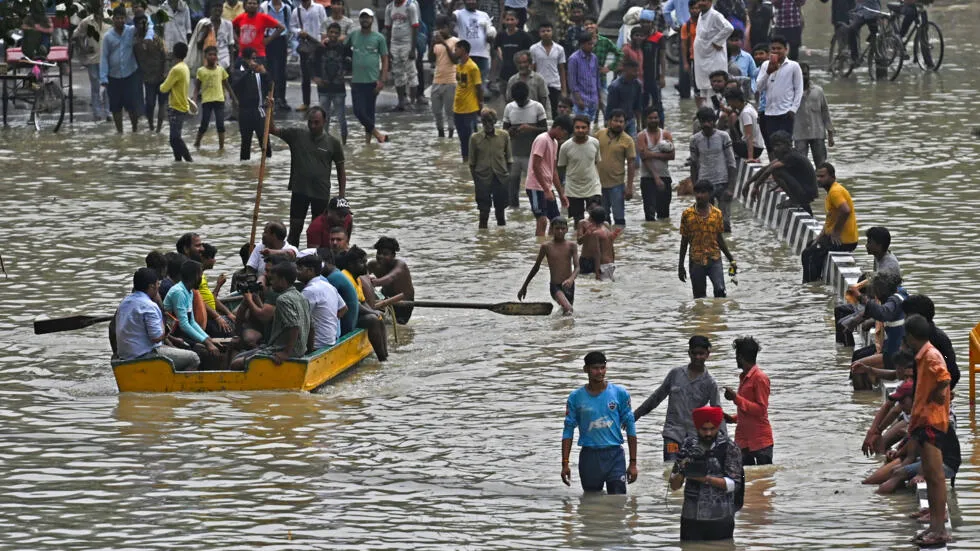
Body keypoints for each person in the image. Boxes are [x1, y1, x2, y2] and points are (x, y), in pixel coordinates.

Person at [903, 314, 953, 547]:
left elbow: (945, 378)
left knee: (935, 477)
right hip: (924, 421)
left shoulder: (931, 354)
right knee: (932, 477)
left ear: (911, 336)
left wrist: (938, 395)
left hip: (932, 422)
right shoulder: (924, 355)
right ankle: (934, 526)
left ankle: (939, 530)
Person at [268, 106, 346, 248]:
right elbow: (272, 129)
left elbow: (341, 170)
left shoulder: (333, 143)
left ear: (324, 122)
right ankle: (292, 258)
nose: (312, 125)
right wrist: (270, 110)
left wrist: (341, 196)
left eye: (316, 122)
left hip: (321, 193)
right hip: (300, 191)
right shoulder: (297, 135)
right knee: (295, 230)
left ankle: (315, 262)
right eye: (310, 122)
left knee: (318, 230)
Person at [560, 351, 638, 493]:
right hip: (589, 457)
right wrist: (565, 463)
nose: (600, 372)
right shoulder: (576, 397)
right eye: (595, 368)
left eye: (603, 368)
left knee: (618, 502)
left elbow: (631, 426)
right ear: (586, 369)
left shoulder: (619, 393)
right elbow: (568, 429)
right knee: (591, 503)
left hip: (615, 456)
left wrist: (633, 463)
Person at [635, 335, 723, 459]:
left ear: (707, 354)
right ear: (689, 353)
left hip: (694, 437)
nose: (698, 357)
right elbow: (657, 397)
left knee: (692, 470)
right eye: (694, 353)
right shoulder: (675, 374)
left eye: (701, 354)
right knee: (671, 468)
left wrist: (723, 441)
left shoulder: (710, 383)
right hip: (672, 435)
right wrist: (636, 415)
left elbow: (717, 413)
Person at [668, 406, 742, 541]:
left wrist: (705, 479)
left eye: (712, 429)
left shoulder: (729, 447)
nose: (708, 433)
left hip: (720, 518)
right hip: (691, 518)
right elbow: (674, 486)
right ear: (697, 427)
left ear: (718, 426)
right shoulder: (687, 445)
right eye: (704, 429)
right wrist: (682, 468)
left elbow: (735, 484)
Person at [114, 268, 202, 371]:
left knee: (176, 350)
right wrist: (164, 323)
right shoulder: (149, 306)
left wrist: (172, 339)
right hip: (144, 355)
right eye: (157, 284)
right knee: (194, 358)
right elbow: (156, 337)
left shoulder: (124, 302)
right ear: (151, 287)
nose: (158, 286)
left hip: (126, 354)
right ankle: (177, 386)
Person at [231, 261, 314, 369]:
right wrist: (310, 350)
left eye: (273, 279)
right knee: (242, 355)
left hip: (281, 350)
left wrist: (286, 353)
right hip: (299, 350)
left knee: (235, 363)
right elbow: (312, 326)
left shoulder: (282, 299)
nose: (271, 282)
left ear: (283, 280)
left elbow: (294, 326)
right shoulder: (301, 297)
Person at [800, 162, 857, 282]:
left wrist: (836, 231)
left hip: (843, 241)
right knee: (810, 246)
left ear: (832, 177)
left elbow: (845, 211)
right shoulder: (831, 192)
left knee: (808, 255)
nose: (819, 179)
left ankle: (810, 285)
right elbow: (830, 219)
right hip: (836, 238)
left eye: (822, 176)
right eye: (817, 176)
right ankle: (817, 278)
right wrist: (820, 237)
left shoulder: (835, 192)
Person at [679, 180, 736, 298]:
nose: (699, 196)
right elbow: (684, 241)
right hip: (696, 260)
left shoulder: (717, 214)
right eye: (697, 192)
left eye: (703, 192)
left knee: (720, 291)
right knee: (699, 298)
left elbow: (719, 239)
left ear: (710, 193)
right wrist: (680, 266)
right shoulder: (687, 214)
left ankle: (717, 316)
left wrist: (731, 259)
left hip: (714, 259)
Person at [723, 336, 773, 465]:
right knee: (744, 478)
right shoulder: (744, 377)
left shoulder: (760, 378)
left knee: (763, 480)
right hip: (743, 440)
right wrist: (733, 419)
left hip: (760, 441)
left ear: (740, 357)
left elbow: (761, 410)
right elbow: (748, 411)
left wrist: (735, 398)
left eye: (736, 356)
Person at [743, 130, 817, 213]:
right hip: (804, 189)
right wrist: (748, 183)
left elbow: (769, 171)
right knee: (775, 169)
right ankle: (794, 199)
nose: (775, 149)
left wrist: (756, 186)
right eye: (774, 146)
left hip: (807, 192)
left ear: (787, 144)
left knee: (776, 171)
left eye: (778, 145)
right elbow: (765, 168)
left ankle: (794, 200)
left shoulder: (791, 156)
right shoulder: (786, 154)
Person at [518, 217, 579, 314]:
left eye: (563, 228)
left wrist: (571, 279)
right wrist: (524, 286)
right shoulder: (546, 246)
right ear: (551, 229)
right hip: (555, 287)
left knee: (566, 312)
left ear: (567, 229)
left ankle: (560, 327)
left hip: (569, 286)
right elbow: (536, 267)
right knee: (569, 309)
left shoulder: (572, 245)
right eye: (557, 228)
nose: (560, 231)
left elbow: (577, 267)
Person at [163, 259, 223, 360]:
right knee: (205, 352)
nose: (201, 278)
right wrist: (206, 343)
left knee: (215, 347)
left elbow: (192, 321)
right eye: (200, 275)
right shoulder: (179, 292)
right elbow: (184, 324)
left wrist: (207, 339)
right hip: (173, 335)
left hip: (182, 332)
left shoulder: (189, 291)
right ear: (195, 276)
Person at [502, 81, 549, 209]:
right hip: (514, 154)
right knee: (512, 186)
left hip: (532, 154)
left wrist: (530, 128)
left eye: (522, 100)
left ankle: (537, 208)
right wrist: (510, 131)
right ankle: (514, 210)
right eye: (517, 101)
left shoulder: (537, 107)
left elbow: (545, 130)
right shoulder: (509, 108)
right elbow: (503, 131)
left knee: (535, 185)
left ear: (527, 95)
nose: (520, 103)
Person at [690, 106, 736, 232]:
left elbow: (731, 162)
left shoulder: (723, 137)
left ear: (714, 121)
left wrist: (731, 188)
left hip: (723, 182)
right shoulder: (695, 140)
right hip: (704, 184)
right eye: (703, 121)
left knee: (725, 223)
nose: (706, 124)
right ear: (699, 122)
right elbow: (693, 164)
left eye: (709, 121)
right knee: (706, 223)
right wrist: (695, 187)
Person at [347, 9, 390, 144]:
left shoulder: (379, 38)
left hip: (372, 80)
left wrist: (382, 80)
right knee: (358, 111)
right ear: (359, 20)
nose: (365, 20)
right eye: (362, 17)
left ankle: (368, 143)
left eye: (368, 18)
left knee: (369, 112)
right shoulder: (353, 35)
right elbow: (342, 47)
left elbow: (385, 59)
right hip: (357, 80)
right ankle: (378, 135)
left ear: (372, 20)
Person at [339, 246, 389, 361]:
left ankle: (385, 355)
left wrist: (375, 312)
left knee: (379, 316)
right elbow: (355, 304)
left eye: (365, 262)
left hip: (355, 315)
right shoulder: (346, 277)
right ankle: (381, 358)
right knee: (373, 319)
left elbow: (362, 301)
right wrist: (372, 312)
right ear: (351, 265)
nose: (366, 266)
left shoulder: (356, 278)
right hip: (346, 319)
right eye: (362, 263)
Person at [525, 117, 573, 236]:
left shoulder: (554, 142)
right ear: (558, 128)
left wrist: (561, 194)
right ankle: (540, 248)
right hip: (535, 186)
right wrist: (546, 190)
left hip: (546, 186)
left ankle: (552, 248)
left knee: (556, 221)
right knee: (542, 220)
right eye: (564, 133)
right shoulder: (542, 139)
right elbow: (535, 166)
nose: (563, 137)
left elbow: (553, 170)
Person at [755, 37, 802, 153]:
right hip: (770, 112)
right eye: (773, 49)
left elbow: (799, 89)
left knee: (785, 144)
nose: (776, 51)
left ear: (786, 50)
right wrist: (768, 72)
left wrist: (793, 109)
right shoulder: (765, 65)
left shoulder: (793, 66)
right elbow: (759, 88)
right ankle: (776, 169)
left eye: (779, 48)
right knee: (773, 145)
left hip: (786, 112)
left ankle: (788, 168)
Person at [469, 108, 514, 228]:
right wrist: (477, 181)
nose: (487, 124)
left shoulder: (504, 136)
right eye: (484, 121)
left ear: (494, 121)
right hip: (482, 178)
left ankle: (502, 239)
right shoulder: (475, 138)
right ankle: (483, 240)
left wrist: (507, 177)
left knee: (501, 213)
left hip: (501, 177)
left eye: (490, 121)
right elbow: (472, 163)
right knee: (483, 213)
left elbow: (509, 159)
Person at [101, 6, 141, 133]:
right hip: (114, 77)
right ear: (113, 19)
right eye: (117, 18)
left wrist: (140, 13)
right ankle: (120, 133)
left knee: (132, 107)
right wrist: (103, 77)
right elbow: (104, 57)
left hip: (130, 75)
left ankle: (135, 130)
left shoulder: (131, 31)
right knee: (116, 108)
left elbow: (145, 27)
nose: (120, 21)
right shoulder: (108, 37)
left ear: (125, 19)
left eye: (122, 18)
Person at [558, 115, 602, 225]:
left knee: (596, 217)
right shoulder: (565, 146)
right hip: (573, 188)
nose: (580, 130)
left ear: (588, 128)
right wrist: (562, 189)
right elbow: (561, 168)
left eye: (583, 127)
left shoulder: (595, 143)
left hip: (592, 186)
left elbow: (596, 162)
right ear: (573, 128)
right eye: (577, 127)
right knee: (578, 222)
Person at [595, 110, 636, 227]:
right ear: (609, 122)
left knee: (619, 219)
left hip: (617, 185)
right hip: (599, 184)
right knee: (602, 218)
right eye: (616, 121)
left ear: (625, 123)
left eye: (621, 121)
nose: (618, 124)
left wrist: (629, 187)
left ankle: (620, 241)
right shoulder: (599, 135)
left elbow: (631, 164)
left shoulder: (628, 140)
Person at [297, 254, 347, 349]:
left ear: (310, 271)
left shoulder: (309, 291)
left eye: (300, 269)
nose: (297, 272)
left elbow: (299, 321)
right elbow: (344, 308)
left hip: (317, 344)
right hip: (330, 340)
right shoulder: (329, 286)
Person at [232, 47, 273, 161]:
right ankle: (244, 170)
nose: (254, 62)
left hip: (259, 111)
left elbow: (270, 84)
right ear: (245, 59)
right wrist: (248, 71)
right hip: (244, 112)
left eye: (255, 59)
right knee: (245, 142)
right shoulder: (238, 70)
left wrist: (265, 74)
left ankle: (268, 165)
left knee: (265, 142)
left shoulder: (259, 70)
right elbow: (236, 84)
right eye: (251, 59)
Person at [73, 5, 112, 122]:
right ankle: (97, 112)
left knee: (108, 86)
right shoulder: (86, 22)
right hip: (93, 59)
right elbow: (76, 35)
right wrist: (83, 48)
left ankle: (108, 111)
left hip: (107, 59)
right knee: (95, 87)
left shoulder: (109, 19)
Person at [692, 0, 733, 109]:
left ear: (710, 2)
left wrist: (717, 41)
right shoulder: (701, 14)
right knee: (704, 92)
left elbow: (729, 28)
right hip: (703, 60)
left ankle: (721, 114)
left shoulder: (715, 15)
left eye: (704, 0)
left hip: (714, 60)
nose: (701, 3)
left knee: (716, 91)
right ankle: (708, 115)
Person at [314, 22, 350, 144]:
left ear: (340, 34)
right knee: (324, 118)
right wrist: (315, 78)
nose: (333, 35)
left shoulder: (344, 48)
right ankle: (324, 142)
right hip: (323, 88)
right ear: (327, 33)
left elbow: (350, 61)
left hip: (339, 89)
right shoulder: (320, 47)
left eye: (336, 33)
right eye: (331, 32)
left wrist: (345, 73)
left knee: (342, 118)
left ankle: (344, 144)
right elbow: (310, 63)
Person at [194, 46, 237, 149]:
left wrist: (234, 99)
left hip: (219, 100)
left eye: (214, 55)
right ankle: (197, 143)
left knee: (220, 125)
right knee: (204, 124)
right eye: (210, 55)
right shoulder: (201, 71)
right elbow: (197, 88)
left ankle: (221, 147)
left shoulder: (221, 70)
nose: (213, 57)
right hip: (207, 101)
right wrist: (194, 99)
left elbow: (227, 85)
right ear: (205, 56)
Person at [637, 106, 675, 221]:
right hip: (648, 178)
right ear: (645, 119)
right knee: (650, 216)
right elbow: (644, 158)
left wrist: (652, 154)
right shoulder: (641, 136)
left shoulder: (666, 134)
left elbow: (672, 156)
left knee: (664, 215)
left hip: (665, 176)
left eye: (656, 118)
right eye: (650, 118)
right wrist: (656, 178)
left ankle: (663, 237)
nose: (654, 120)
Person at [793, 62, 834, 168]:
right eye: (799, 74)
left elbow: (825, 112)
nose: (802, 76)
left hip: (817, 133)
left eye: (805, 74)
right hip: (799, 134)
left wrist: (830, 134)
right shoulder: (791, 92)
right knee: (800, 165)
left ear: (809, 74)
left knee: (821, 164)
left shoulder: (818, 91)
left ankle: (821, 184)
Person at [133, 14, 168, 133]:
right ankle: (151, 126)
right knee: (150, 103)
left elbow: (164, 55)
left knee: (162, 104)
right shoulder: (135, 41)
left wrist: (165, 72)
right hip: (147, 77)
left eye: (144, 23)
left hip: (160, 75)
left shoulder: (156, 38)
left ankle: (158, 128)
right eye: (140, 23)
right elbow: (136, 59)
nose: (142, 26)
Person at [368, 236, 415, 324]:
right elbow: (359, 275)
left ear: (393, 255)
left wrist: (374, 282)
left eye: (385, 254)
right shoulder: (372, 265)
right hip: (385, 298)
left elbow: (390, 277)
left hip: (404, 304)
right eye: (379, 253)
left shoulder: (400, 265)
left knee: (398, 325)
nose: (381, 256)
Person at [159, 42, 194, 163]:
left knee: (175, 138)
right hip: (182, 105)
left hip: (176, 107)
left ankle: (189, 160)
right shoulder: (184, 67)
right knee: (174, 138)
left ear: (174, 53)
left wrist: (164, 78)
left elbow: (164, 88)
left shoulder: (176, 69)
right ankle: (178, 162)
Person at [291, 0, 328, 112]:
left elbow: (325, 23)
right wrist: (298, 31)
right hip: (305, 47)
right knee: (305, 75)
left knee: (319, 73)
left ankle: (323, 102)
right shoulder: (296, 11)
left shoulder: (319, 7)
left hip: (318, 45)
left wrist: (323, 39)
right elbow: (292, 26)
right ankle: (306, 102)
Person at [385, 0, 421, 110]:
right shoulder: (389, 7)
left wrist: (412, 49)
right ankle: (401, 102)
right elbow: (388, 28)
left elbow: (415, 27)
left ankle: (412, 102)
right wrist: (388, 48)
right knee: (398, 73)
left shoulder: (410, 6)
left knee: (411, 73)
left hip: (407, 44)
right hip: (394, 44)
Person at [453, 39, 484, 161]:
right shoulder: (459, 66)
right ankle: (465, 161)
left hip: (470, 108)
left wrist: (480, 105)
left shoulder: (473, 67)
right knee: (462, 138)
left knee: (472, 138)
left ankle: (475, 161)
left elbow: (479, 87)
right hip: (458, 108)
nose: (454, 52)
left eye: (456, 49)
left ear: (463, 50)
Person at [453, 0, 495, 88]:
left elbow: (489, 34)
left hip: (482, 55)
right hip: (466, 56)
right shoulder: (459, 13)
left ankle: (478, 101)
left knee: (480, 84)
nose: (471, 2)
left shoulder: (484, 15)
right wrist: (453, 2)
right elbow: (449, 17)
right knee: (464, 85)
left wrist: (490, 37)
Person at [258, 0, 292, 111]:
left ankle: (281, 98)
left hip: (281, 40)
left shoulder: (287, 8)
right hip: (268, 40)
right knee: (269, 69)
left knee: (282, 70)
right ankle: (269, 97)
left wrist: (288, 41)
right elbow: (261, 22)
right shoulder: (264, 6)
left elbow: (289, 25)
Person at [318, 247, 360, 336]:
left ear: (328, 261)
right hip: (350, 322)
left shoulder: (333, 278)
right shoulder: (337, 273)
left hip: (346, 326)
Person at [530, 22, 568, 118]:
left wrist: (564, 90)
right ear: (539, 33)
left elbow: (562, 70)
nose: (546, 33)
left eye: (548, 31)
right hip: (539, 84)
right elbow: (532, 68)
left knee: (556, 112)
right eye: (543, 31)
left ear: (552, 32)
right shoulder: (534, 48)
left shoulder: (559, 49)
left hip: (555, 84)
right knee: (540, 112)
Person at [429, 16, 459, 138]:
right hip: (437, 81)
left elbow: (454, 60)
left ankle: (451, 135)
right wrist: (432, 44)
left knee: (450, 113)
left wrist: (445, 44)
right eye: (438, 28)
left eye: (443, 28)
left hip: (450, 81)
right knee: (436, 112)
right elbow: (431, 59)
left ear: (448, 27)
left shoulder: (455, 41)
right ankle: (440, 134)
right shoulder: (436, 42)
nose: (441, 31)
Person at [234, 0, 285, 67]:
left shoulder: (263, 17)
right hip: (243, 55)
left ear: (258, 6)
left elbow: (281, 28)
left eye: (254, 3)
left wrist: (269, 39)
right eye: (249, 3)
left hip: (258, 55)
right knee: (240, 76)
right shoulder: (240, 17)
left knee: (258, 76)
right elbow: (231, 27)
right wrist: (236, 40)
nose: (252, 5)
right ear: (245, 5)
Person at [190, 2, 236, 71]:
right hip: (208, 63)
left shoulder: (228, 24)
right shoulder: (203, 23)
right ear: (210, 9)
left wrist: (232, 65)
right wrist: (205, 32)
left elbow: (231, 45)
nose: (218, 9)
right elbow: (199, 45)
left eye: (220, 6)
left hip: (224, 62)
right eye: (215, 6)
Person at [638, 10, 667, 122]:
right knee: (642, 102)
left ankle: (661, 127)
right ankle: (644, 126)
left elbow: (662, 58)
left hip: (654, 76)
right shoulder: (638, 36)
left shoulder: (659, 37)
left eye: (648, 22)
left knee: (657, 102)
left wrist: (663, 76)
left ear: (652, 23)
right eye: (643, 22)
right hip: (641, 76)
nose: (645, 24)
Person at [497, 11, 533, 93]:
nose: (509, 22)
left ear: (517, 21)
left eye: (512, 19)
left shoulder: (525, 36)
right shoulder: (500, 35)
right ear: (503, 21)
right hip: (504, 73)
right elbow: (497, 48)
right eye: (507, 19)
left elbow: (530, 53)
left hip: (520, 73)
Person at [605, 58, 644, 136]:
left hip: (630, 120)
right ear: (626, 70)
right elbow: (610, 108)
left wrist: (639, 126)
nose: (637, 73)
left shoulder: (638, 85)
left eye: (638, 71)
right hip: (616, 122)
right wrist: (608, 126)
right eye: (634, 71)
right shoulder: (615, 86)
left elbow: (638, 106)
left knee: (632, 144)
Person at [722, 88, 762, 162]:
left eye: (729, 102)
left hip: (754, 149)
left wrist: (750, 157)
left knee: (724, 143)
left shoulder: (745, 113)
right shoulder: (748, 106)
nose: (729, 105)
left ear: (736, 100)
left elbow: (749, 136)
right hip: (757, 147)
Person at [566, 33, 600, 121]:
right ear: (582, 44)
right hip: (580, 101)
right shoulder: (574, 59)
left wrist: (598, 98)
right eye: (589, 44)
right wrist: (578, 100)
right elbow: (572, 82)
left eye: (592, 44)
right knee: (581, 126)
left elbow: (596, 78)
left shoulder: (594, 58)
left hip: (593, 99)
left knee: (589, 126)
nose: (592, 46)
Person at [679, 0, 700, 101]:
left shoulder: (705, 22)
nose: (695, 11)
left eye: (697, 8)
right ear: (689, 10)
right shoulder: (686, 26)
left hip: (706, 57)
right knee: (696, 84)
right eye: (693, 8)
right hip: (694, 58)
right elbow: (683, 45)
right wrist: (685, 63)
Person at [726, 28, 757, 93]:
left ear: (742, 41)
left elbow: (753, 76)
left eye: (736, 40)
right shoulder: (723, 57)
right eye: (731, 40)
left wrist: (752, 88)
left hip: (744, 90)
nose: (734, 43)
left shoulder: (747, 57)